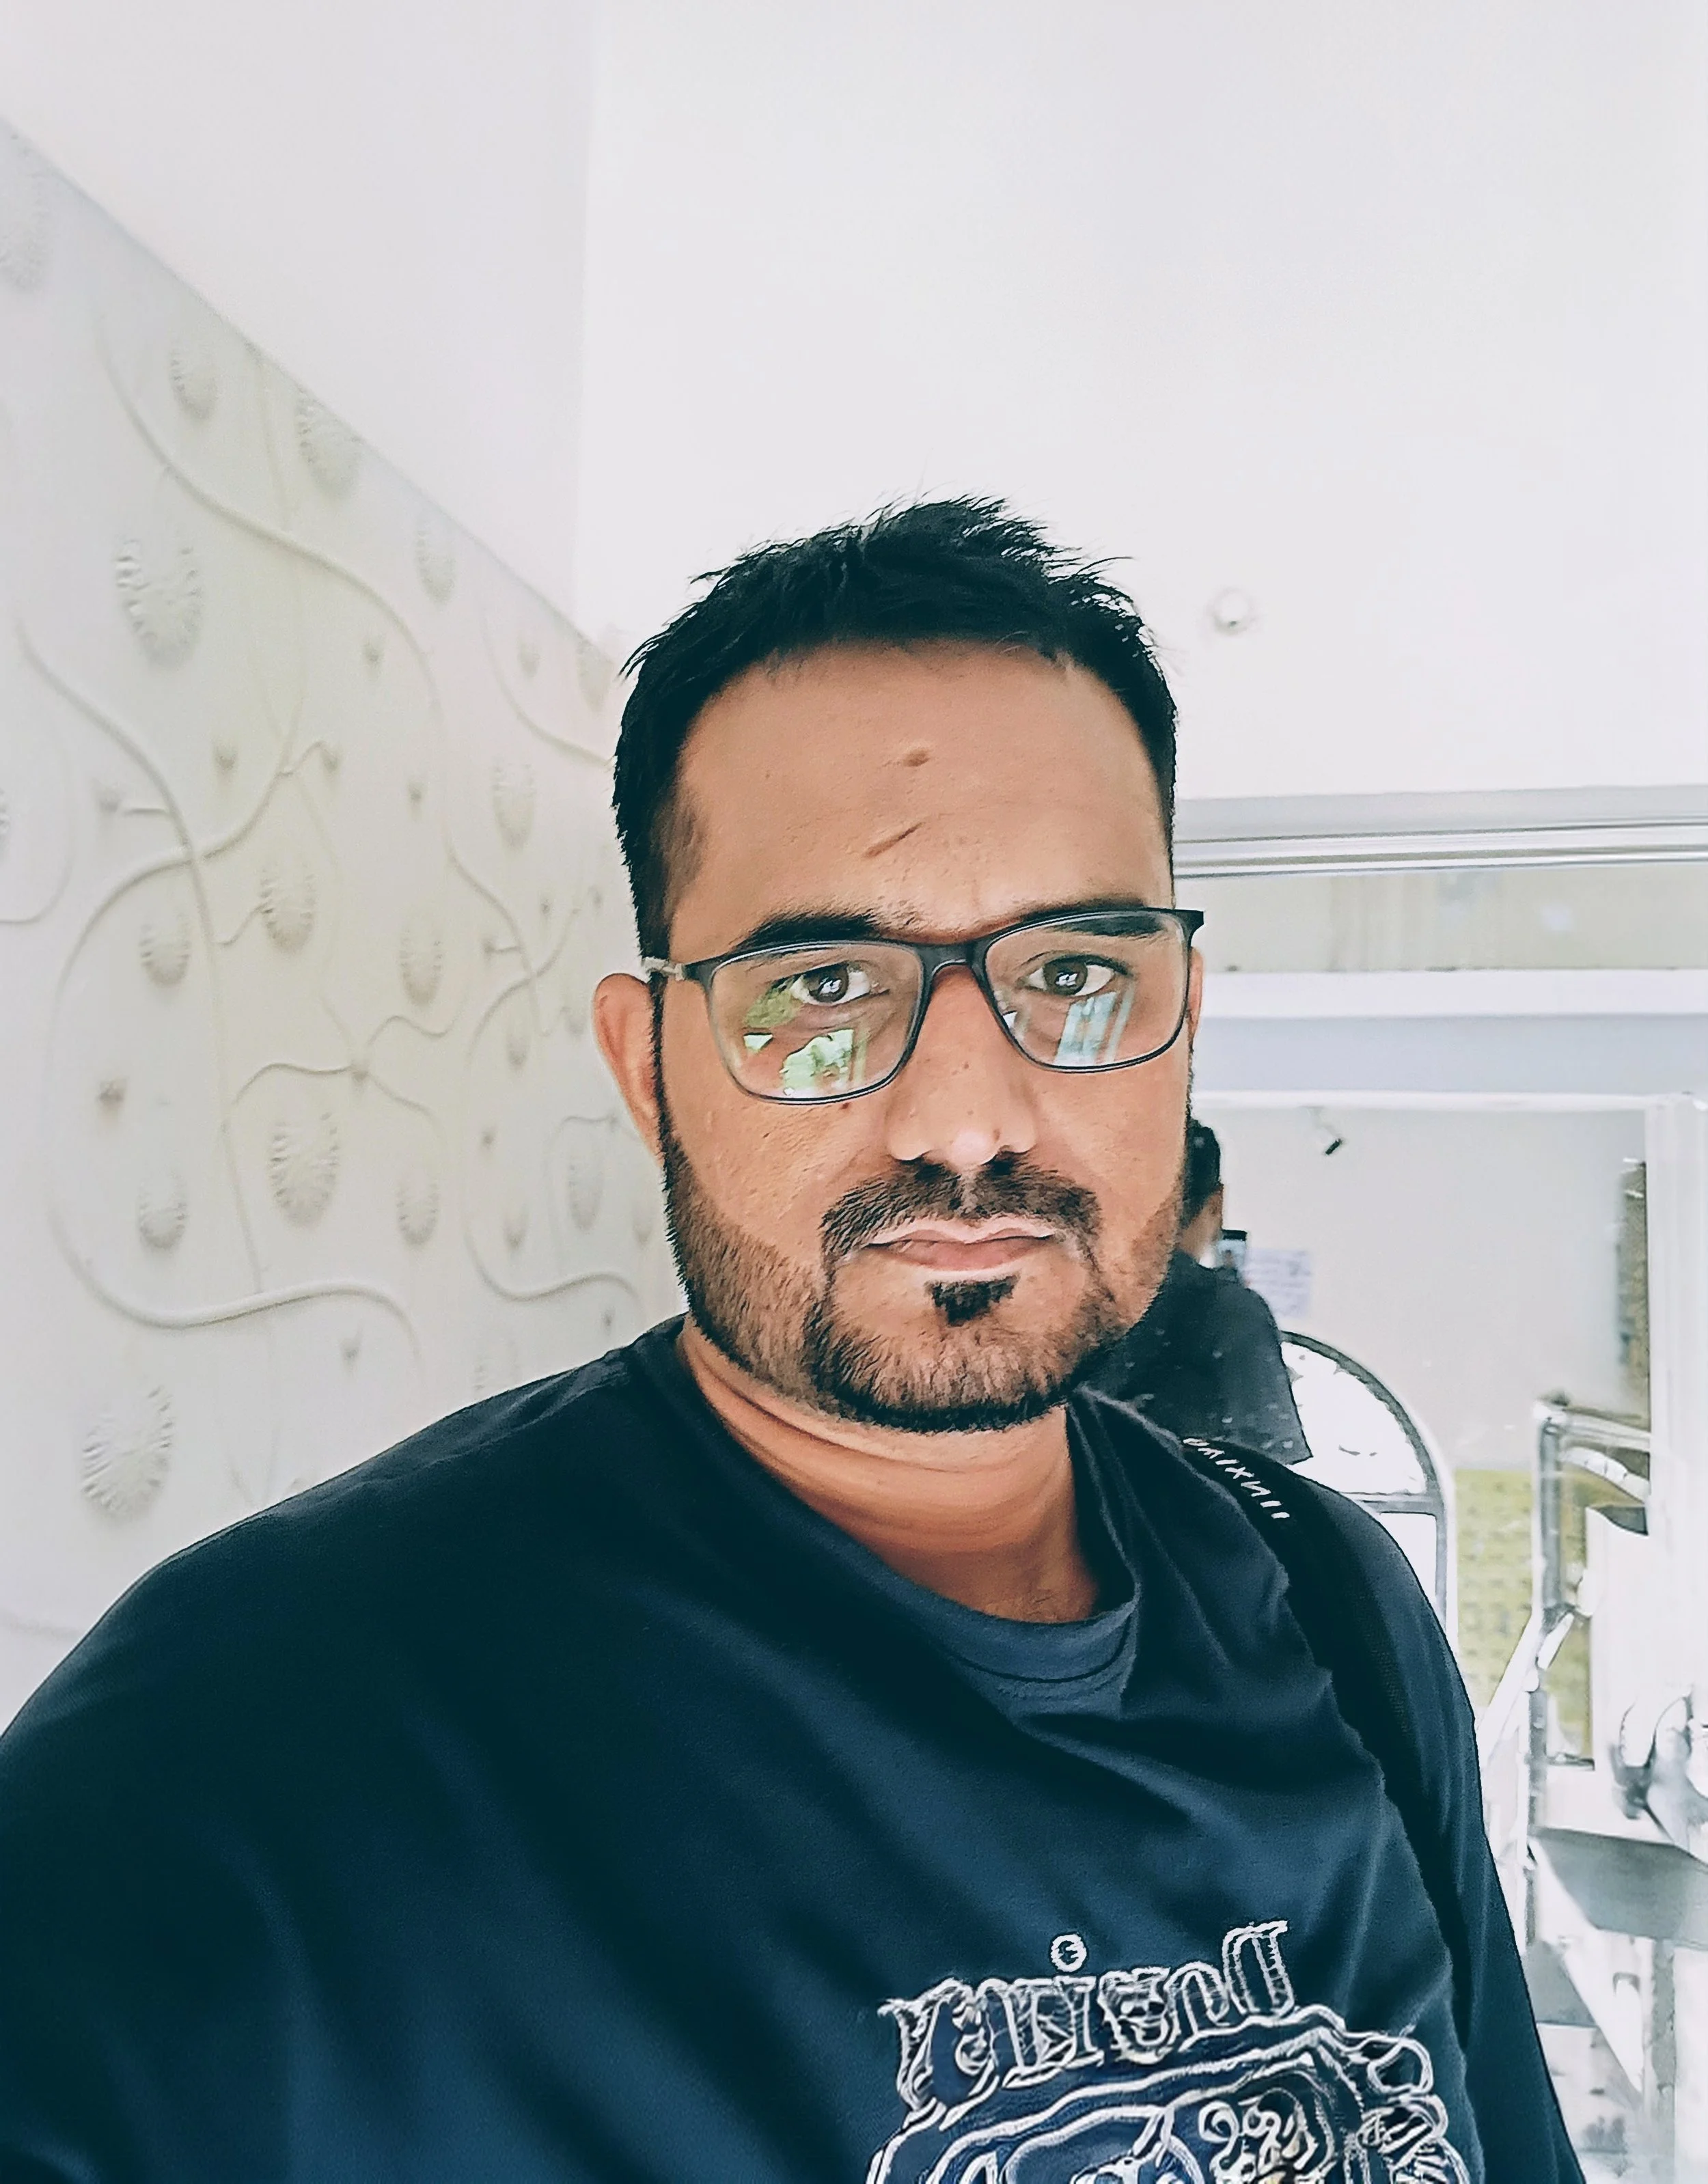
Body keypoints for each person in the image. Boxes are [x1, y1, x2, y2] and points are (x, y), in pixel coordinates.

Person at [0, 500, 1577, 2183]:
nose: (970, 1116)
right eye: (820, 985)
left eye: (1075, 969)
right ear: (646, 1062)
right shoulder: (273, 1727)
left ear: (1181, 1022)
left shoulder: (1332, 1599)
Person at [1090, 1118, 1310, 1462]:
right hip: (1181, 1509)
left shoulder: (1066, 1299)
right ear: (1215, 1204)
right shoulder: (1229, 1310)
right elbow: (1270, 1463)